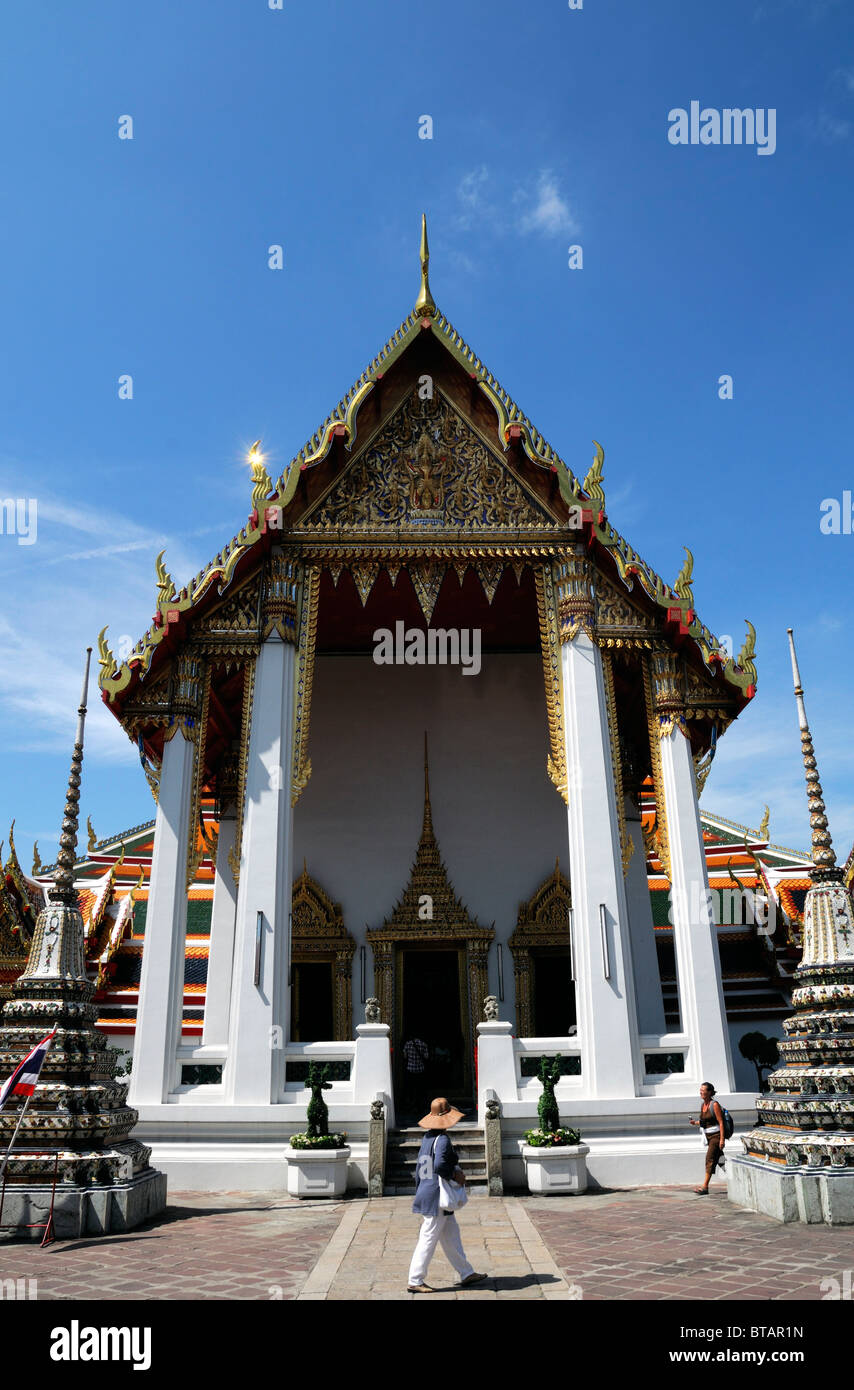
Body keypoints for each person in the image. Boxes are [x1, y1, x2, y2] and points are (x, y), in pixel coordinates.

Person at [407, 1097, 486, 1293]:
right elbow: (440, 1165)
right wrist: (456, 1175)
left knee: (451, 1235)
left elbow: (419, 1168)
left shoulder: (427, 1138)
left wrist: (420, 1189)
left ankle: (466, 1272)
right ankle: (415, 1279)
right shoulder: (442, 1139)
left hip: (428, 1190)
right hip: (436, 1196)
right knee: (428, 1237)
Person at [689, 1081, 726, 1194]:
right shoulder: (703, 1105)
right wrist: (694, 1123)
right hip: (707, 1136)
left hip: (716, 1136)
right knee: (721, 1161)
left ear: (709, 1092)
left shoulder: (714, 1105)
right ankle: (736, 1177)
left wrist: (722, 1139)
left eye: (703, 1090)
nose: (701, 1092)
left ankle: (705, 1187)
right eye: (700, 1090)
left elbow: (721, 1123)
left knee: (709, 1159)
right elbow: (704, 1122)